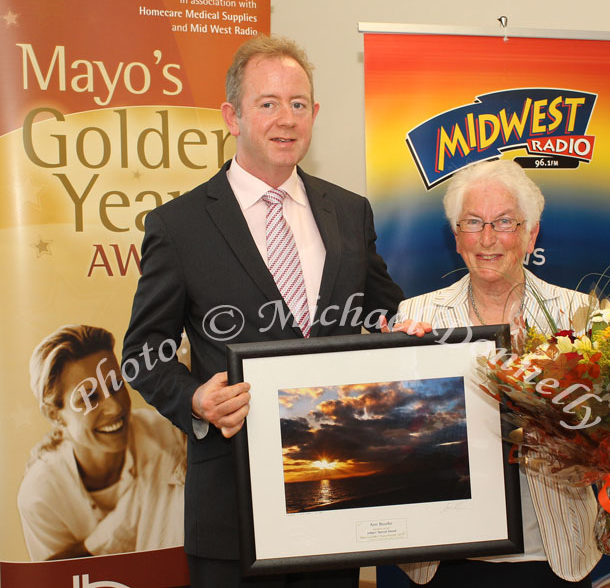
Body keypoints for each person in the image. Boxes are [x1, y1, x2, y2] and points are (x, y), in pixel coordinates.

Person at [122, 35, 404, 587]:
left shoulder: (349, 212)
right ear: (232, 116)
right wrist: (194, 401)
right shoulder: (179, 227)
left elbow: (384, 314)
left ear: (315, 114)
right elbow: (142, 353)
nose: (286, 119)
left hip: (336, 495)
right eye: (267, 103)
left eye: (299, 104)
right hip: (233, 508)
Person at [394, 159, 610, 587]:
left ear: (531, 235)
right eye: (473, 222)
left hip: (553, 553)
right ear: (456, 236)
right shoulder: (416, 316)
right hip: (449, 555)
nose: (488, 239)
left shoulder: (583, 316)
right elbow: (396, 430)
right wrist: (400, 360)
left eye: (504, 222)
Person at [17, 325, 185, 561]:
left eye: (116, 386)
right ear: (54, 415)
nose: (115, 407)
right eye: (89, 397)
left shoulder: (169, 435)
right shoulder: (41, 496)